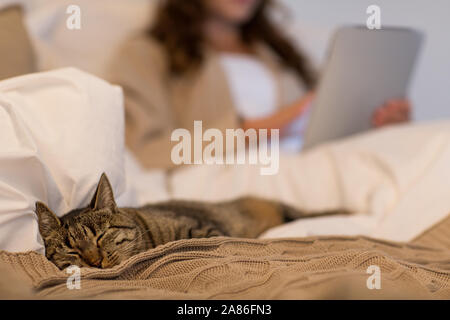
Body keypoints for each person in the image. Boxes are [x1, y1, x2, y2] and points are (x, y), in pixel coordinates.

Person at [110, 0, 410, 169]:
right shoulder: (147, 52)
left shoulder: (279, 54)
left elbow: (318, 124)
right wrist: (263, 128)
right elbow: (144, 152)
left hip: (309, 161)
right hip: (237, 172)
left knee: (428, 144)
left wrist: (375, 122)